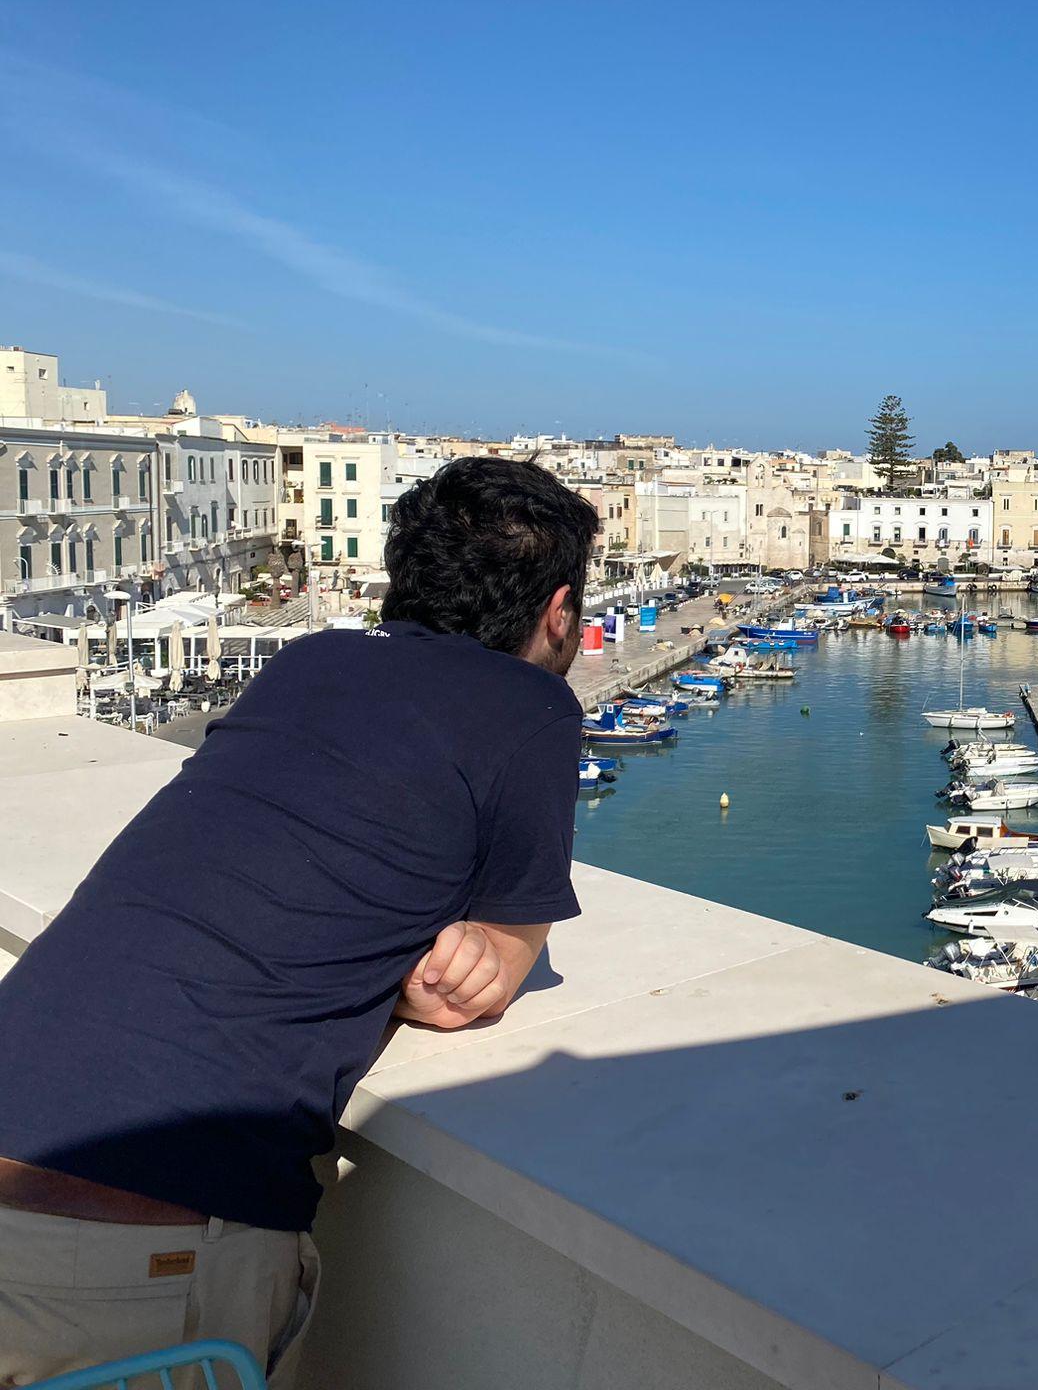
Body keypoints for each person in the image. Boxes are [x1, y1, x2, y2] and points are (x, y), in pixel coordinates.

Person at [0, 456, 601, 1385]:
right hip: (132, 1243)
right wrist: (499, 950)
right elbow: (502, 947)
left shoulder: (307, 663)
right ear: (559, 610)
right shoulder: (531, 708)